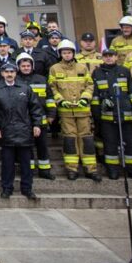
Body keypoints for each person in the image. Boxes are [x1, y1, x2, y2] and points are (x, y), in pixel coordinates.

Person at [48, 39, 101, 182]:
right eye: (64, 53)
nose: (67, 55)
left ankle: (91, 169)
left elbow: (90, 85)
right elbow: (52, 87)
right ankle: (72, 168)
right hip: (66, 112)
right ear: (60, 54)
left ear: (73, 53)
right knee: (69, 139)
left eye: (69, 52)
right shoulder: (54, 69)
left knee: (86, 139)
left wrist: (85, 98)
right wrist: (60, 100)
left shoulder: (82, 68)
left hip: (83, 110)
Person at [0, 63, 44, 200]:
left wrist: (37, 124)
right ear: (2, 73)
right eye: (6, 72)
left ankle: (27, 189)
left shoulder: (25, 88)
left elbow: (35, 108)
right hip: (6, 131)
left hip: (24, 131)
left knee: (26, 164)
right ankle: (7, 188)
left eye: (12, 71)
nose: (9, 74)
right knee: (7, 164)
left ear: (16, 73)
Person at [91, 49, 132, 180]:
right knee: (110, 144)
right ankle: (112, 170)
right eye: (106, 56)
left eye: (111, 56)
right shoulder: (97, 73)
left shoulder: (124, 71)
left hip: (126, 114)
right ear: (102, 58)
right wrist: (96, 112)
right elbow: (95, 94)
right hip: (107, 116)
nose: (108, 58)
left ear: (116, 57)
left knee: (130, 144)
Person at [15, 54, 56, 180]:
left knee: (42, 146)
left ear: (32, 66)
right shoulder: (15, 81)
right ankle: (29, 170)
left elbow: (49, 98)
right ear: (18, 67)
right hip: (24, 121)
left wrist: (51, 114)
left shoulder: (42, 79)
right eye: (23, 66)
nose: (26, 68)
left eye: (28, 65)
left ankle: (45, 171)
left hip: (41, 120)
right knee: (26, 147)